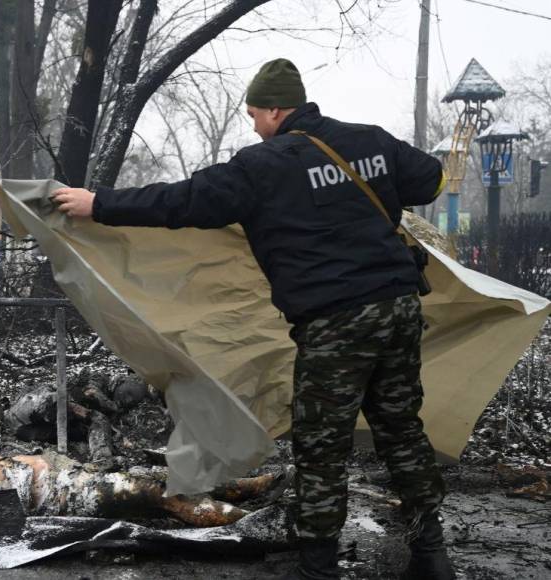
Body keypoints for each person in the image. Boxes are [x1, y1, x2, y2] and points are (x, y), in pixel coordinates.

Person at [51, 58, 455, 580]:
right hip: (399, 308)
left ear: (274, 109)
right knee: (401, 431)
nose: (253, 125)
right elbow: (433, 180)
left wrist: (99, 204)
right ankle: (432, 553)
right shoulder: (369, 141)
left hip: (335, 323)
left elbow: (181, 201)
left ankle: (318, 569)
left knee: (322, 449)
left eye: (254, 114)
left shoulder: (261, 167)